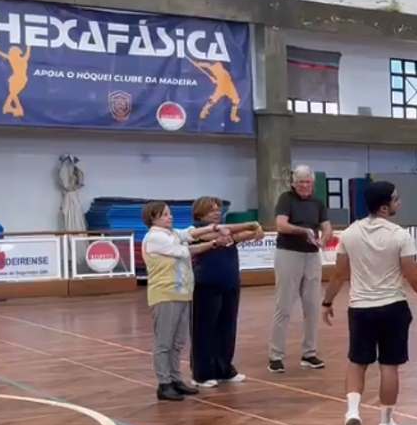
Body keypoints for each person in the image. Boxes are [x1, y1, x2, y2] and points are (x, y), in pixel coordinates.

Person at [321, 181, 417, 425]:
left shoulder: (350, 233)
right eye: (396, 199)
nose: (400, 202)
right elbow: (412, 274)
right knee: (388, 366)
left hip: (360, 309)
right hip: (392, 308)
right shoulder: (399, 235)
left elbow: (339, 274)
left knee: (357, 362)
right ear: (385, 207)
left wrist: (327, 303)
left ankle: (352, 412)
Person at [141, 202, 236, 401]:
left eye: (170, 213)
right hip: (165, 294)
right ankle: (164, 382)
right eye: (165, 215)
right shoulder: (155, 237)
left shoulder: (171, 234)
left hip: (182, 293)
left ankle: (175, 378)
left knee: (177, 342)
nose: (170, 217)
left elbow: (189, 233)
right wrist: (213, 243)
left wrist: (213, 228)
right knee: (164, 342)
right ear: (153, 219)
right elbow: (186, 250)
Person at [188, 197, 262, 388]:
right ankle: (202, 374)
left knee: (227, 329)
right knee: (205, 330)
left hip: (229, 284)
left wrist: (256, 230)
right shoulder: (196, 230)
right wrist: (250, 224)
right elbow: (215, 236)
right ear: (201, 213)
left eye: (218, 209)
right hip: (206, 284)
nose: (216, 212)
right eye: (211, 210)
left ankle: (224, 369)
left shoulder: (225, 230)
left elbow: (239, 236)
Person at [269, 165, 333, 373]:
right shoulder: (286, 199)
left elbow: (326, 225)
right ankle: (276, 355)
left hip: (312, 255)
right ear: (294, 184)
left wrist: (326, 235)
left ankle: (309, 353)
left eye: (308, 182)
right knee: (284, 306)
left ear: (313, 184)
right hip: (289, 253)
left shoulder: (318, 202)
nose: (304, 186)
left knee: (312, 306)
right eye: (301, 182)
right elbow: (281, 225)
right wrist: (303, 230)